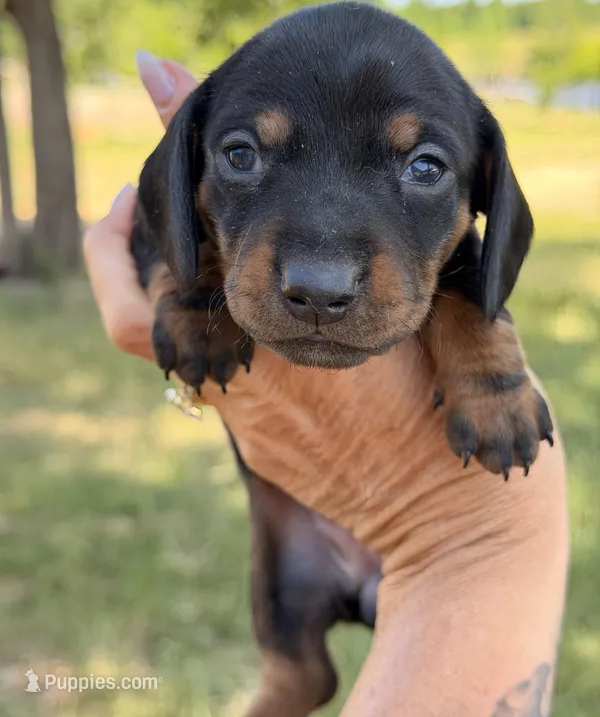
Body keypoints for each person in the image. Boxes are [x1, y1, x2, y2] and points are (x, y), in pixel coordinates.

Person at [83, 52, 569, 717]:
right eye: (244, 155)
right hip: (295, 529)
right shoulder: (185, 202)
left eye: (424, 166)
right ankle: (291, 683)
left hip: (447, 552)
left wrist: (488, 358)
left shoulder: (458, 270)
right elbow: (152, 231)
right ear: (187, 160)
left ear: (486, 190)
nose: (319, 278)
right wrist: (186, 287)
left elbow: (465, 273)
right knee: (292, 659)